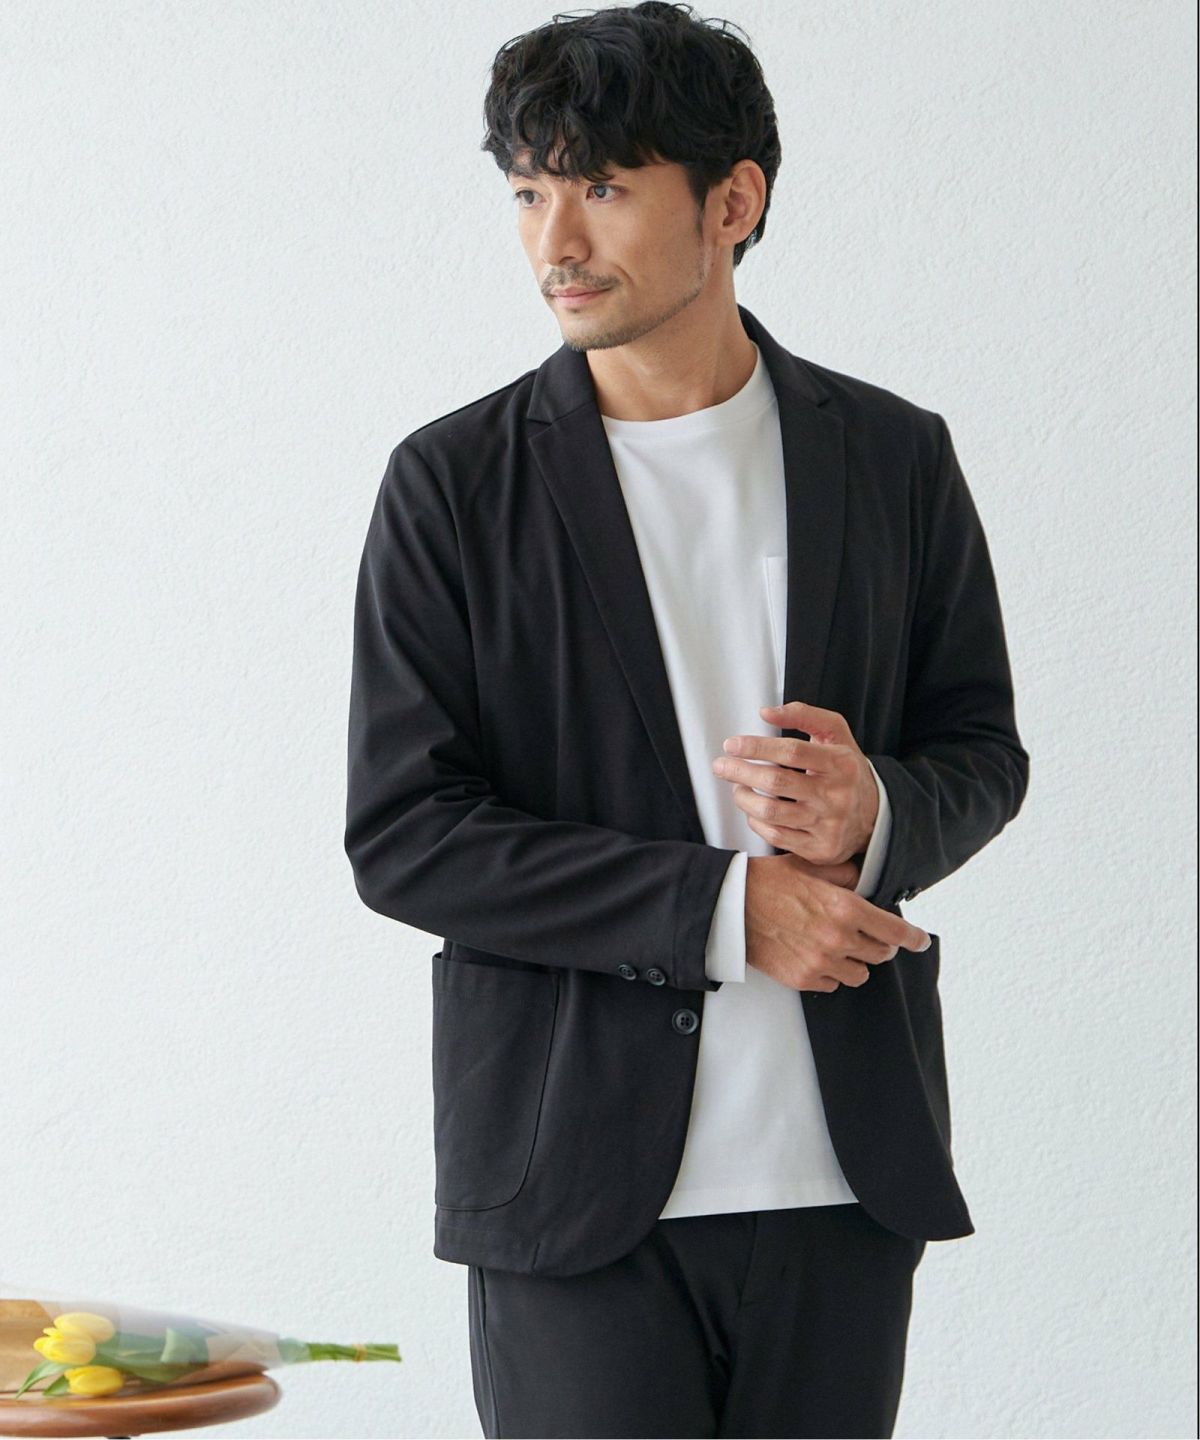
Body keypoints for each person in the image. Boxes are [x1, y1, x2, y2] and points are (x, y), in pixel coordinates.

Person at [344, 3, 1029, 1435]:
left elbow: (981, 749)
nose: (555, 241)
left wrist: (879, 810)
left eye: (602, 187)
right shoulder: (453, 487)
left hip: (845, 1170)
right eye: (527, 192)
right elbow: (407, 834)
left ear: (734, 201)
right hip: (570, 1174)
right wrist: (725, 910)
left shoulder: (893, 457)